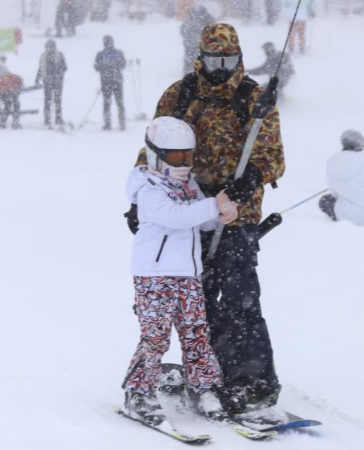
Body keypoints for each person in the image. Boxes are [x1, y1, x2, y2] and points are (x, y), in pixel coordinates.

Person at [128, 23, 285, 415]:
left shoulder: (254, 98)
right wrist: (139, 201)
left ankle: (249, 377)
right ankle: (204, 371)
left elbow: (273, 157)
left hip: (237, 214)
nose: (220, 67)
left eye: (227, 59)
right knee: (191, 299)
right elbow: (155, 145)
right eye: (213, 59)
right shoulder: (180, 94)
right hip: (186, 212)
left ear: (239, 58)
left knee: (239, 296)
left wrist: (249, 180)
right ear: (200, 57)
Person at [122, 116, 237, 425]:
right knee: (156, 336)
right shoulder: (148, 186)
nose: (184, 163)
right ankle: (138, 391)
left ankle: (204, 388)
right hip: (155, 275)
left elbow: (197, 218)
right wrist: (213, 205)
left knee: (197, 332)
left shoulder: (189, 185)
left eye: (188, 156)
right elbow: (173, 217)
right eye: (176, 157)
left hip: (188, 275)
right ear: (156, 154)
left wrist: (219, 216)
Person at [94, 35, 127, 131]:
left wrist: (104, 68)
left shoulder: (100, 54)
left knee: (107, 104)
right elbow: (123, 65)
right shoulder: (118, 53)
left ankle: (108, 124)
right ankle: (122, 124)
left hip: (106, 82)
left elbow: (96, 67)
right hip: (117, 81)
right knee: (120, 103)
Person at [35, 39, 68, 128]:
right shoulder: (43, 56)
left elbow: (65, 68)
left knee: (57, 100)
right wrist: (37, 78)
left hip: (58, 82)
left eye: (50, 47)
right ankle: (47, 119)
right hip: (47, 81)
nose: (48, 49)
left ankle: (58, 118)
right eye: (47, 47)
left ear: (54, 47)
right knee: (47, 100)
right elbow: (40, 68)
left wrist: (58, 71)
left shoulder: (60, 55)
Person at [180, 5, 215, 76]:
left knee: (190, 58)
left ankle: (188, 71)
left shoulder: (189, 20)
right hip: (199, 43)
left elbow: (183, 30)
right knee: (202, 58)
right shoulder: (207, 19)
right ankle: (202, 72)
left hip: (191, 43)